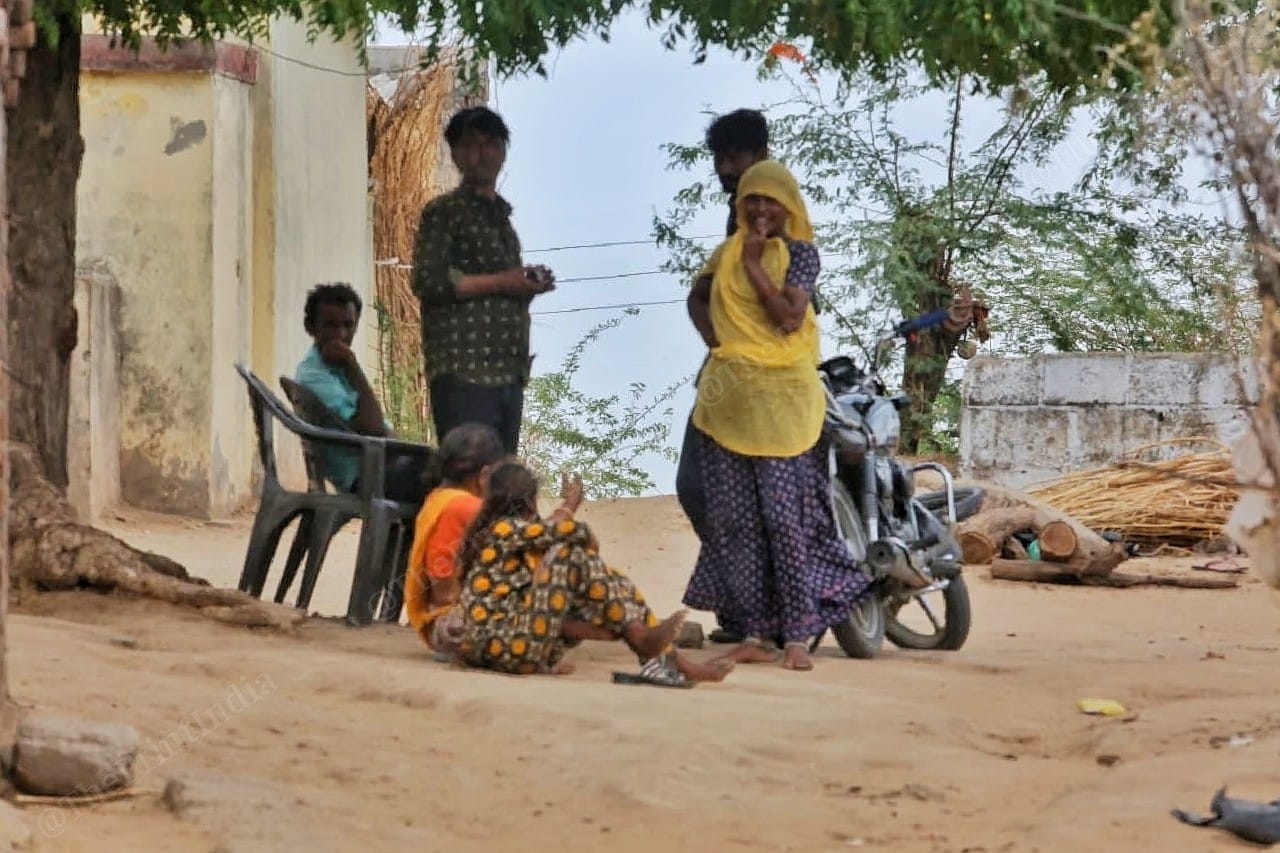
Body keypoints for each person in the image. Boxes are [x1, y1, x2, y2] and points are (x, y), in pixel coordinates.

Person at [681, 160, 871, 672]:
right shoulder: (722, 253)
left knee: (786, 522)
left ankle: (797, 634)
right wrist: (719, 342)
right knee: (739, 523)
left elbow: (788, 318)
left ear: (789, 207)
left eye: (770, 200)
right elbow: (696, 299)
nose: (761, 209)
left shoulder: (801, 256)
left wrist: (754, 267)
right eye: (752, 200)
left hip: (785, 404)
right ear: (740, 205)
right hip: (730, 402)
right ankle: (759, 634)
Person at [453, 460, 734, 686]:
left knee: (616, 583)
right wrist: (586, 543)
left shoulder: (519, 540)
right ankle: (641, 638)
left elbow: (553, 532)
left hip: (519, 647)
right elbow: (573, 531)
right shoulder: (502, 531)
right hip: (502, 647)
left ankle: (672, 660)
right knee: (570, 556)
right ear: (529, 500)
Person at [411, 106, 555, 456]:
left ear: (503, 150)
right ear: (456, 153)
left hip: (507, 370)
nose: (482, 154)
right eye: (472, 145)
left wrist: (526, 288)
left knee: (499, 481)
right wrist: (506, 281)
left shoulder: (501, 217)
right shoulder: (444, 212)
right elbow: (430, 280)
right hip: (464, 371)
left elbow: (498, 289)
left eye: (491, 144)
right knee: (469, 477)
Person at [294, 283, 427, 505]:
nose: (341, 335)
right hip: (363, 477)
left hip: (378, 465)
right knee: (443, 482)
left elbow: (380, 430)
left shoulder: (334, 368)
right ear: (310, 327)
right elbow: (374, 429)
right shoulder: (315, 376)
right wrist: (352, 365)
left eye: (348, 325)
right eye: (330, 326)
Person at [403, 423, 506, 656]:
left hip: (441, 623)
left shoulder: (437, 498)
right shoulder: (467, 506)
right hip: (452, 624)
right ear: (485, 476)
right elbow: (441, 570)